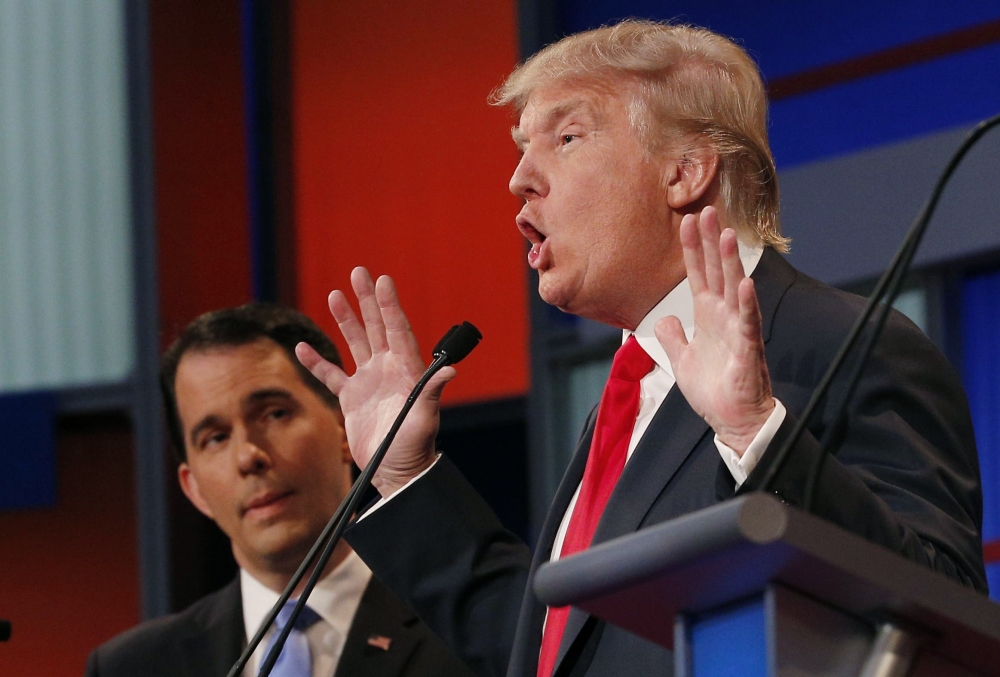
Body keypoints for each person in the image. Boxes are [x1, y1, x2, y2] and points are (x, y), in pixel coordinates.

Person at [295, 20, 987, 677]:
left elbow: (940, 610)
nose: (519, 179)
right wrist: (407, 476)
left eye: (566, 137)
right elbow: (558, 652)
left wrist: (758, 436)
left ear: (685, 172)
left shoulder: (839, 343)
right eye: (520, 149)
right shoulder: (630, 394)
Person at [86, 304, 474, 677]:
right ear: (194, 489)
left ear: (344, 427)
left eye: (274, 414)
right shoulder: (134, 667)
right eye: (216, 438)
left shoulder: (464, 628)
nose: (248, 456)